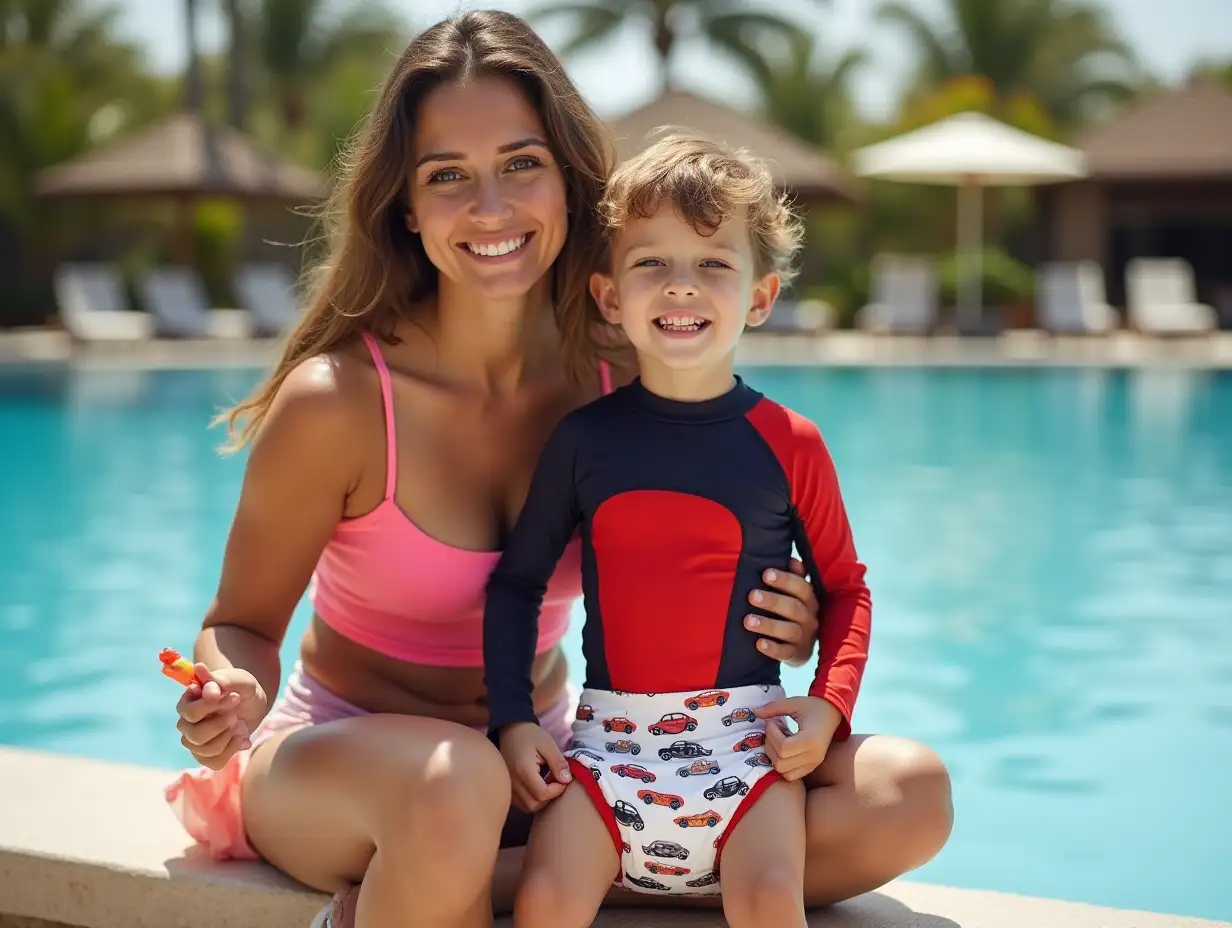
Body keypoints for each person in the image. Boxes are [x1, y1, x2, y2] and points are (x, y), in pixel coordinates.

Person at [165, 10, 953, 928]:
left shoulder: (623, 377)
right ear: (405, 208)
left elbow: (725, 529)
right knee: (453, 780)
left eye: (521, 164)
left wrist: (793, 612)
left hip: (553, 764)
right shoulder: (340, 400)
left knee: (908, 792)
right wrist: (234, 690)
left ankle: (494, 883)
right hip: (341, 767)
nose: (491, 208)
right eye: (447, 176)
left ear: (570, 183)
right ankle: (462, 867)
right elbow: (241, 624)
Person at [483, 134, 867, 928]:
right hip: (605, 753)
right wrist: (514, 720)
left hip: (747, 751)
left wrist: (828, 707)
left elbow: (845, 590)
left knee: (767, 904)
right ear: (609, 296)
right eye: (651, 263)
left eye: (713, 265)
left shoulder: (792, 443)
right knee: (547, 903)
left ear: (760, 298)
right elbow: (517, 584)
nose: (680, 287)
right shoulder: (583, 441)